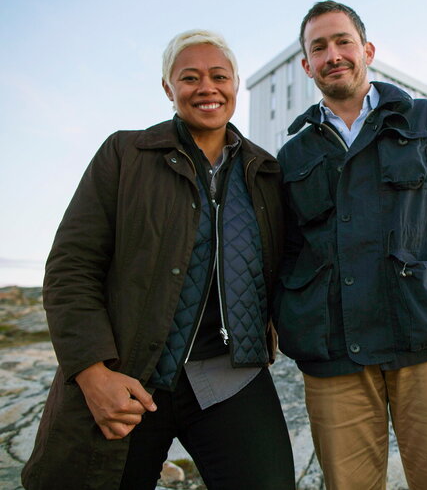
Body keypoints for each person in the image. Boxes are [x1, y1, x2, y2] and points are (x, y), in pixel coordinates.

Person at [22, 30, 295, 490]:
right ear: (168, 88)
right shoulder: (124, 155)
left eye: (219, 76)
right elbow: (70, 268)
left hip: (231, 376)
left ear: (234, 84)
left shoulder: (265, 172)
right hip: (130, 376)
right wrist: (92, 373)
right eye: (189, 77)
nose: (206, 87)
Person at [275, 0, 427, 490]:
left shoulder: (424, 119)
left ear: (367, 50)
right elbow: (285, 250)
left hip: (426, 335)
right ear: (307, 65)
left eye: (343, 42)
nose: (333, 55)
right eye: (319, 48)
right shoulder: (292, 155)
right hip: (333, 351)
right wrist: (296, 317)